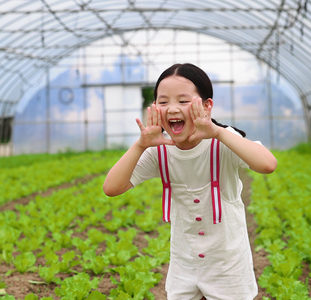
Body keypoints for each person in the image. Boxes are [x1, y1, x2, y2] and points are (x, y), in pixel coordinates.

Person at [103, 63, 277, 300]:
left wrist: (217, 132)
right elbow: (112, 188)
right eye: (163, 102)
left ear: (207, 106)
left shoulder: (222, 142)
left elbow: (268, 164)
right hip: (185, 264)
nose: (172, 108)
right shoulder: (159, 150)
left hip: (227, 265)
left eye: (183, 101)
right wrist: (141, 144)